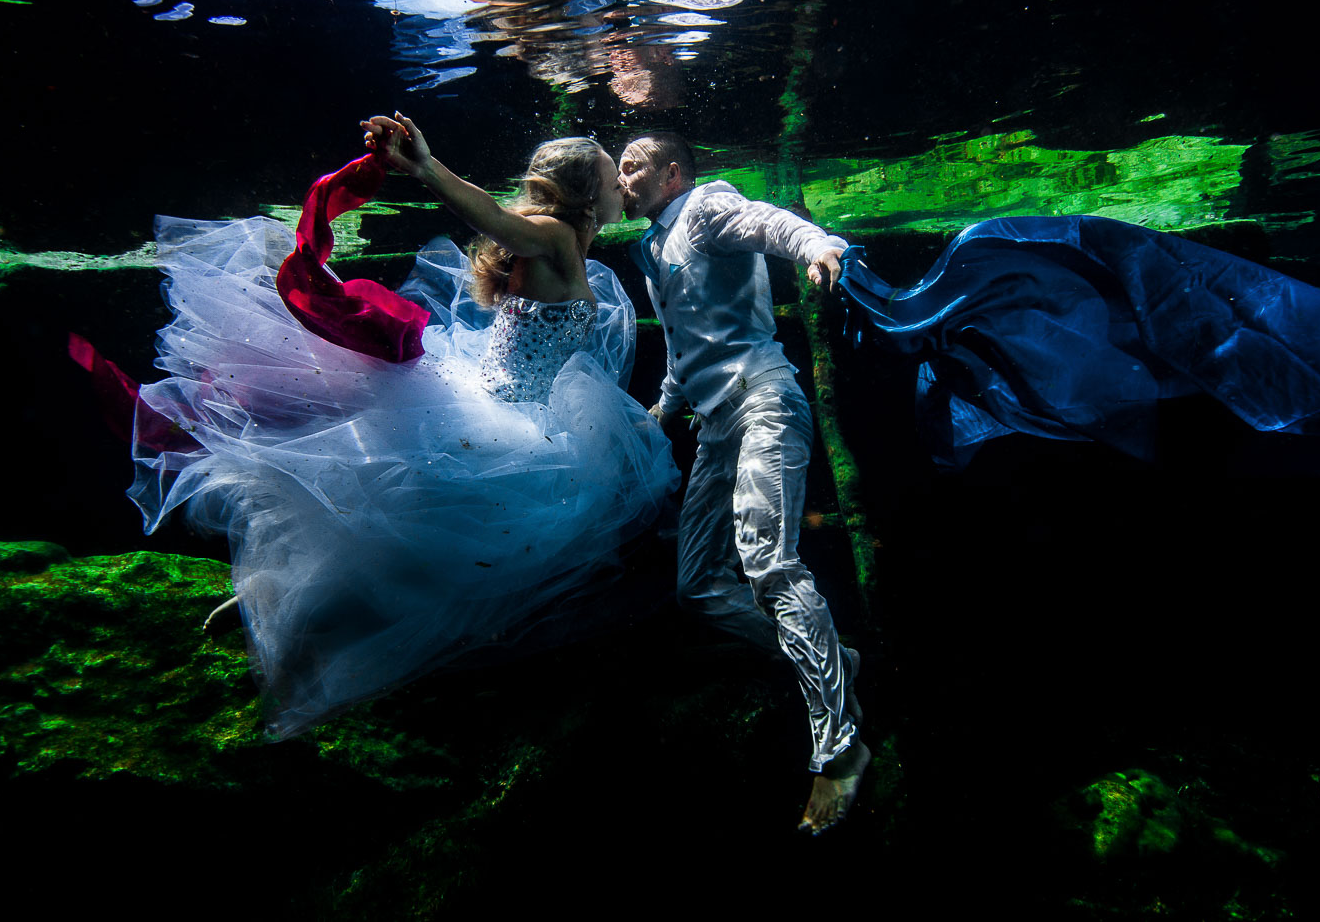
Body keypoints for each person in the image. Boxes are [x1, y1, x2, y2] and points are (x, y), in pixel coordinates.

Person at [127, 117, 679, 739]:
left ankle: (280, 595)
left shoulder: (568, 246)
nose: (623, 187)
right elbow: (493, 219)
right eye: (613, 177)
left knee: (425, 547)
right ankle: (286, 614)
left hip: (517, 412)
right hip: (498, 421)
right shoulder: (551, 234)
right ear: (584, 193)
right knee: (432, 551)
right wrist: (426, 167)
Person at [617, 131, 872, 835]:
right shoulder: (649, 247)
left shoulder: (704, 206)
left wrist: (819, 245)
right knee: (696, 584)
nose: (621, 175)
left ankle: (841, 747)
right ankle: (833, 657)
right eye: (618, 167)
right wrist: (664, 407)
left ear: (672, 174)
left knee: (768, 563)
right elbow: (681, 341)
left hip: (763, 404)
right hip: (715, 424)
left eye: (633, 165)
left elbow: (769, 222)